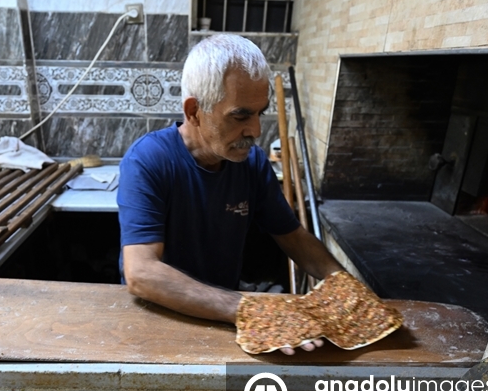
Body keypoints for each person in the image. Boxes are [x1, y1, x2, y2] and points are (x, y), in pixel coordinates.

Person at [118, 34, 344, 354]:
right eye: (240, 116)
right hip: (157, 320)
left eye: (259, 114)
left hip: (224, 317)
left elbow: (293, 236)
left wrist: (344, 285)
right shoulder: (148, 161)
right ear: (194, 111)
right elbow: (141, 273)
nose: (255, 131)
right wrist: (250, 310)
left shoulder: (252, 163)